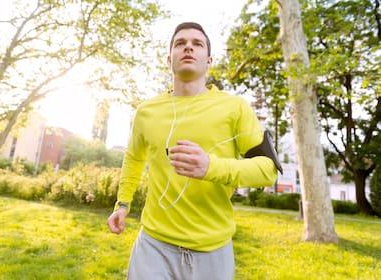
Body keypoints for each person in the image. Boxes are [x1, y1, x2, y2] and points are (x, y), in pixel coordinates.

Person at [107, 22, 281, 280]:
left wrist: (211, 167)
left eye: (197, 43)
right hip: (153, 245)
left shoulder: (235, 107)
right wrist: (123, 203)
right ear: (169, 59)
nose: (188, 46)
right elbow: (134, 158)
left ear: (209, 60)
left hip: (213, 250)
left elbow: (268, 171)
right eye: (180, 43)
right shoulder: (146, 111)